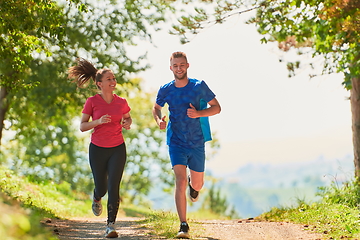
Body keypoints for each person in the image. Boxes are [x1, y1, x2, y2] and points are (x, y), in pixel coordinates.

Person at [152, 51, 221, 239]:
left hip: (196, 141)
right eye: (175, 65)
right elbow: (156, 108)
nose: (179, 68)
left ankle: (194, 185)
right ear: (170, 68)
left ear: (187, 66)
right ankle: (183, 225)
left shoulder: (198, 86)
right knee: (180, 180)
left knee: (197, 183)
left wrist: (198, 114)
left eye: (182, 65)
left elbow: (217, 108)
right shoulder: (165, 89)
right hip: (176, 141)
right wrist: (159, 120)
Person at [68, 58, 132, 238]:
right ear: (99, 84)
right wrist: (97, 121)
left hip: (117, 148)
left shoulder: (121, 102)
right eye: (109, 79)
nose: (113, 82)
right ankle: (97, 197)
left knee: (114, 186)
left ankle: (110, 225)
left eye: (114, 78)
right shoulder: (92, 102)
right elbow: (82, 126)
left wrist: (127, 123)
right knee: (102, 187)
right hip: (97, 149)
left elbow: (128, 117)